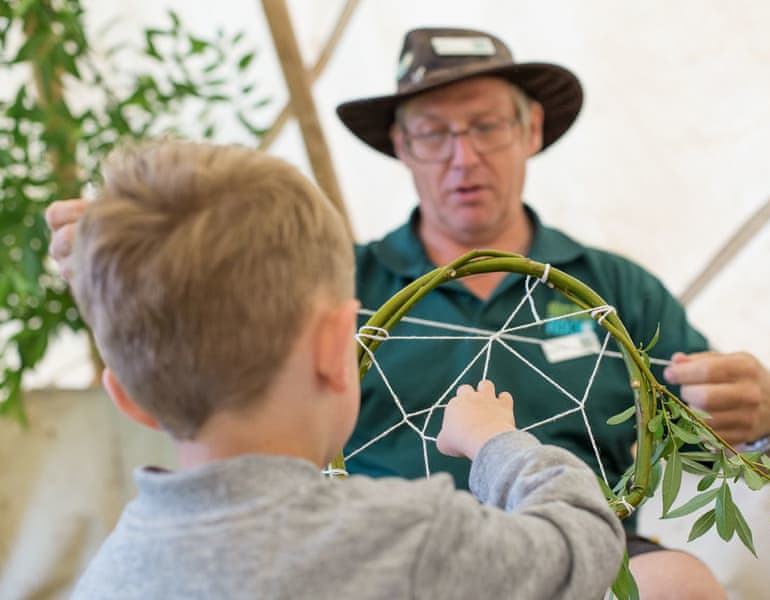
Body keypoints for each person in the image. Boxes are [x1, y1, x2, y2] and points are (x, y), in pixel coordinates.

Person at [46, 28, 770, 600]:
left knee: (680, 581)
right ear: (400, 149)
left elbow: (745, 453)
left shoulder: (612, 287)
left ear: (531, 131)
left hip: (582, 551)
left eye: (485, 127)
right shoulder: (330, 280)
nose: (462, 157)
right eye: (433, 133)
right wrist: (146, 258)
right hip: (373, 555)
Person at [65, 140, 624, 599]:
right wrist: (496, 443)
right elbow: (585, 539)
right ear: (339, 346)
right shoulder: (409, 537)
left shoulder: (108, 575)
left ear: (127, 396)